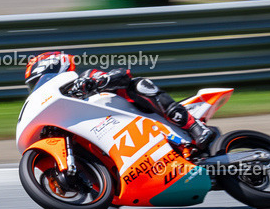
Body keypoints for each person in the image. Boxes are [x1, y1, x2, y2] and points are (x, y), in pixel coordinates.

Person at [24, 51, 215, 149]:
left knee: (139, 85)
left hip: (138, 118)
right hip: (118, 139)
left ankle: (195, 126)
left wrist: (99, 81)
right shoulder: (64, 111)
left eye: (38, 82)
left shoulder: (85, 78)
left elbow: (123, 74)